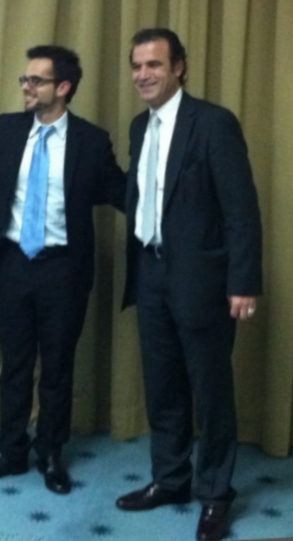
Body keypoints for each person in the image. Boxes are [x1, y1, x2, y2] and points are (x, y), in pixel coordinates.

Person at [0, 45, 125, 495]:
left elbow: (120, 191)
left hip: (64, 269)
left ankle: (51, 454)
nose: (26, 87)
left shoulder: (91, 141)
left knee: (57, 367)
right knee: (15, 365)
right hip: (14, 263)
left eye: (36, 80)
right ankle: (10, 450)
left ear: (64, 87)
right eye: (25, 79)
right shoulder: (9, 128)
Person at [115, 29, 262, 541]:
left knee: (211, 390)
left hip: (204, 281)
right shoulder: (140, 126)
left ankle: (216, 494)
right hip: (150, 272)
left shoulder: (214, 124)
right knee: (163, 386)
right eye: (137, 66)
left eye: (154, 64)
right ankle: (170, 479)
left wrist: (243, 283)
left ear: (179, 67)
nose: (143, 75)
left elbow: (241, 210)